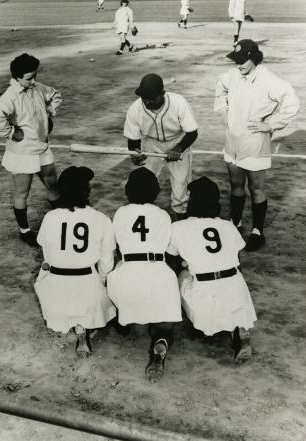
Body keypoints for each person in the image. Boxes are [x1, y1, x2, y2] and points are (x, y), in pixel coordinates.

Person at [214, 40, 300, 251]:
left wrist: (270, 124)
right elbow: (220, 87)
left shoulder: (269, 80)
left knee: (256, 187)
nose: (239, 65)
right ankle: (236, 224)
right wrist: (223, 110)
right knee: (235, 185)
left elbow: (292, 104)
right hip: (233, 140)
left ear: (255, 58)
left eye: (243, 61)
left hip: (255, 141)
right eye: (236, 60)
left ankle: (257, 231)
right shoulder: (233, 75)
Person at [167, 176, 257, 363]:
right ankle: (238, 327)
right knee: (233, 274)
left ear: (193, 202)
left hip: (203, 295)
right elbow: (238, 262)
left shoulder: (178, 227)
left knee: (179, 273)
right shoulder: (228, 225)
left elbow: (171, 262)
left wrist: (187, 265)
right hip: (235, 290)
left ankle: (194, 319)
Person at [107, 167, 182, 382]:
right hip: (158, 273)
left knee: (117, 286)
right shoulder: (163, 215)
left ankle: (124, 321)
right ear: (156, 193)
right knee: (164, 322)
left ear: (128, 192)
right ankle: (161, 342)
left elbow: (117, 249)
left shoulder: (120, 213)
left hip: (127, 275)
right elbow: (169, 252)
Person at [34, 166, 116, 357]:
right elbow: (106, 262)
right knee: (104, 277)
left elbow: (47, 253)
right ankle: (82, 327)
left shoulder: (50, 217)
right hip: (87, 288)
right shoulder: (100, 218)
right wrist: (102, 281)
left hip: (56, 291)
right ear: (86, 190)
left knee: (48, 269)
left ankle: (74, 322)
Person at [0, 53, 62, 247]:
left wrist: (49, 113)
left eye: (35, 76)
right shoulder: (9, 97)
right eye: (29, 78)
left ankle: (62, 221)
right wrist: (12, 133)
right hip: (22, 153)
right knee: (23, 193)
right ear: (17, 77)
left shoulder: (38, 88)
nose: (34, 81)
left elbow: (55, 94)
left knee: (53, 186)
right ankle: (25, 231)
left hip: (43, 148)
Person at [124, 73, 198, 220]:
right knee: (143, 186)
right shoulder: (134, 109)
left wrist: (178, 148)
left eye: (152, 98)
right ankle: (142, 220)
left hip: (178, 141)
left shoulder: (178, 103)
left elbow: (192, 133)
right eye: (144, 98)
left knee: (180, 188)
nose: (147, 102)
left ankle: (181, 221)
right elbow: (133, 138)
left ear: (162, 93)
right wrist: (135, 153)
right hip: (151, 145)